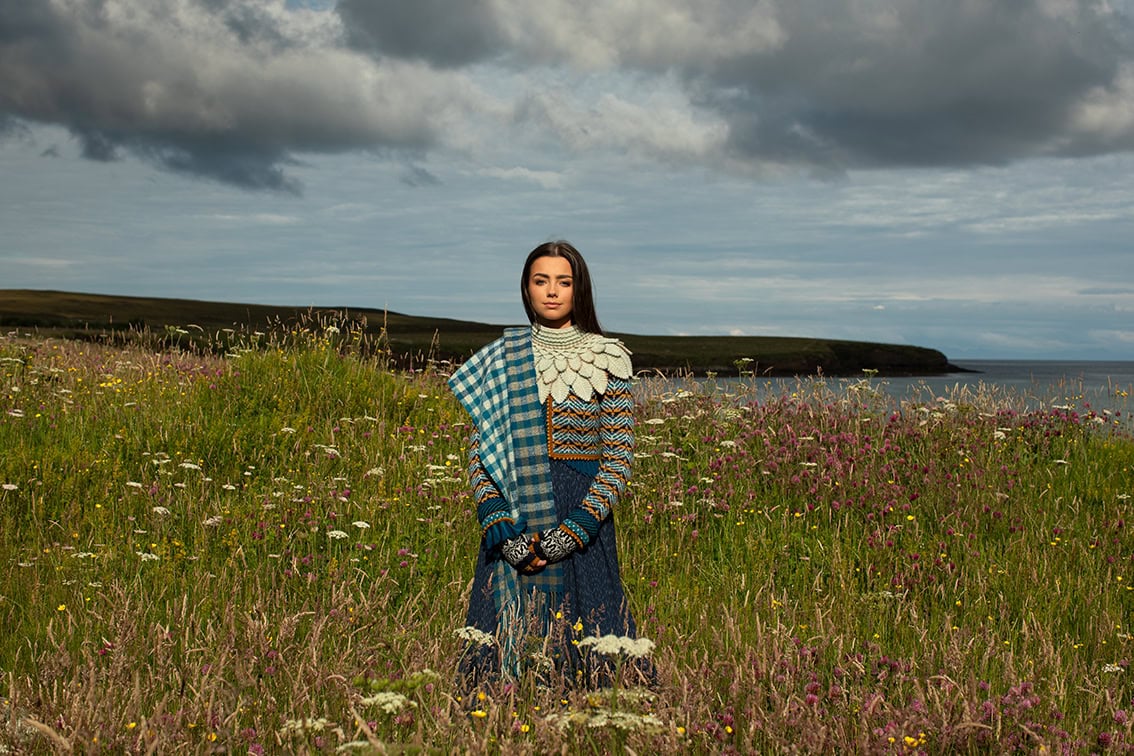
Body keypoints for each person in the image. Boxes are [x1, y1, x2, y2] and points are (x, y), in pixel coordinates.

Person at [448, 240, 645, 686]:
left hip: (582, 525)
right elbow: (481, 454)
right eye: (541, 281)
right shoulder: (504, 356)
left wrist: (573, 531)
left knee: (592, 645)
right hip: (515, 515)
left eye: (563, 281)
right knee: (499, 649)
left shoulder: (607, 356)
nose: (552, 291)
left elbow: (616, 460)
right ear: (526, 288)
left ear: (580, 289)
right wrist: (499, 524)